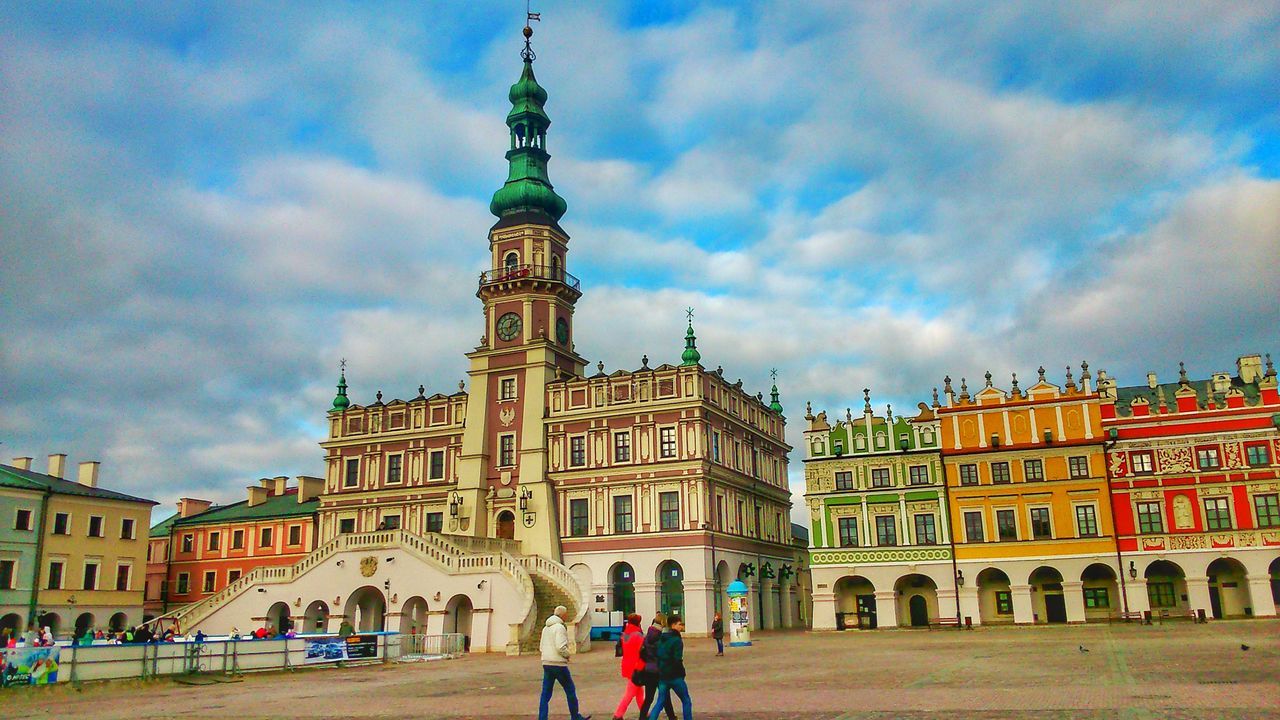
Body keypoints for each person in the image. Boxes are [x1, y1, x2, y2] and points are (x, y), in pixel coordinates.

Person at [537, 605, 590, 720]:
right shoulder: (559, 627)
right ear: (563, 615)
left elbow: (541, 646)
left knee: (545, 694)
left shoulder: (546, 628)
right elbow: (560, 647)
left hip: (546, 662)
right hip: (558, 664)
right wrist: (567, 654)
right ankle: (575, 716)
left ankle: (542, 717)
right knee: (570, 689)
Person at [646, 615, 692, 720]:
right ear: (673, 625)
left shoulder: (662, 638)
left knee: (660, 702)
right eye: (679, 624)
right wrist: (681, 672)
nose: (681, 626)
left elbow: (658, 654)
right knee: (686, 700)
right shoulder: (676, 640)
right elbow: (677, 659)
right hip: (675, 676)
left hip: (663, 675)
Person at [638, 614, 675, 720]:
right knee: (665, 696)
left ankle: (642, 717)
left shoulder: (648, 634)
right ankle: (671, 716)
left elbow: (643, 652)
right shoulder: (659, 636)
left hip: (649, 669)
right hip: (658, 669)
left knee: (649, 698)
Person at [612, 614, 646, 720]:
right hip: (637, 666)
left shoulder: (625, 634)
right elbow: (643, 651)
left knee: (638, 691)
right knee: (630, 693)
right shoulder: (638, 635)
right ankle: (618, 715)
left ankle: (644, 712)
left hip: (627, 664)